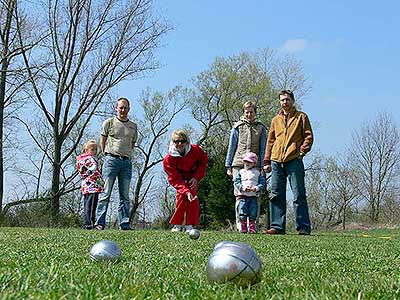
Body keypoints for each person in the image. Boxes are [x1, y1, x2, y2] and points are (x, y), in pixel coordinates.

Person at [263, 90, 313, 235]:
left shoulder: (301, 117)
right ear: (280, 102)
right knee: (276, 194)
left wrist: (302, 151)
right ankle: (277, 226)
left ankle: (303, 227)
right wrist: (267, 160)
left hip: (294, 160)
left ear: (293, 101)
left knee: (299, 194)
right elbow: (270, 141)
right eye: (282, 100)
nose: (285, 102)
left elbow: (308, 136)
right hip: (276, 161)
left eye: (287, 99)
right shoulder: (275, 120)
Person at [95, 97, 137, 230]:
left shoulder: (133, 126)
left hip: (126, 162)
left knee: (125, 195)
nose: (123, 110)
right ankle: (100, 223)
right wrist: (106, 154)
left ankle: (124, 224)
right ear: (116, 108)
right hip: (111, 160)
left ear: (129, 109)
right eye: (121, 107)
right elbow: (102, 140)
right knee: (106, 192)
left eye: (125, 108)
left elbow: (132, 144)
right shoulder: (109, 122)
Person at [225, 101, 266, 231]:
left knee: (255, 194)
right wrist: (228, 165)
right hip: (238, 163)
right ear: (244, 112)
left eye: (251, 112)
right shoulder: (237, 127)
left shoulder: (261, 127)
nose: (249, 114)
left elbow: (263, 147)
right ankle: (240, 224)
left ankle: (253, 225)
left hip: (256, 165)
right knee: (239, 194)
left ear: (255, 112)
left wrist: (263, 165)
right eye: (246, 112)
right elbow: (232, 146)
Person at [163, 129, 208, 233]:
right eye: (176, 141)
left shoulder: (196, 150)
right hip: (180, 179)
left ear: (187, 141)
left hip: (193, 177)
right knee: (181, 198)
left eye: (182, 141)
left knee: (193, 199)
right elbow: (174, 177)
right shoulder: (169, 159)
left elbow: (203, 161)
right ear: (173, 142)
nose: (179, 144)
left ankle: (190, 224)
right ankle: (177, 224)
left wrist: (196, 177)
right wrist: (185, 190)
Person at [76, 140, 104, 230]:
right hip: (92, 186)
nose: (94, 151)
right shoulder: (89, 160)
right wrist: (101, 181)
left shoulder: (80, 160)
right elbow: (94, 171)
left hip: (87, 186)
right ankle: (89, 224)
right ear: (86, 150)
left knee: (88, 205)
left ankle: (87, 223)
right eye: (92, 149)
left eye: (96, 149)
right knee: (91, 206)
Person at [234, 152, 266, 234]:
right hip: (243, 196)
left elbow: (262, 183)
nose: (247, 163)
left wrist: (256, 188)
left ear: (254, 163)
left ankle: (252, 227)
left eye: (249, 162)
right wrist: (242, 187)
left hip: (253, 196)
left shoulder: (257, 173)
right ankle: (243, 227)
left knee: (253, 212)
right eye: (245, 161)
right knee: (242, 212)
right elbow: (236, 182)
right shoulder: (241, 172)